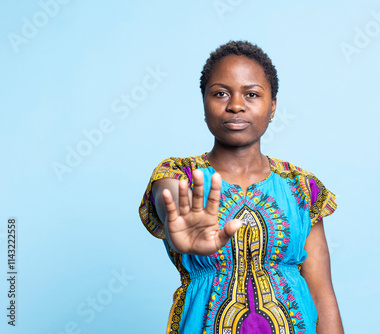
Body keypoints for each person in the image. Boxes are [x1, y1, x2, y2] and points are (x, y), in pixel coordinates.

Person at [139, 40, 344, 334]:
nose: (235, 105)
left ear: (272, 106)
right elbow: (169, 196)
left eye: (251, 94)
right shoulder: (180, 174)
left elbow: (322, 294)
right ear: (204, 104)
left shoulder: (301, 187)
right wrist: (179, 217)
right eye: (221, 93)